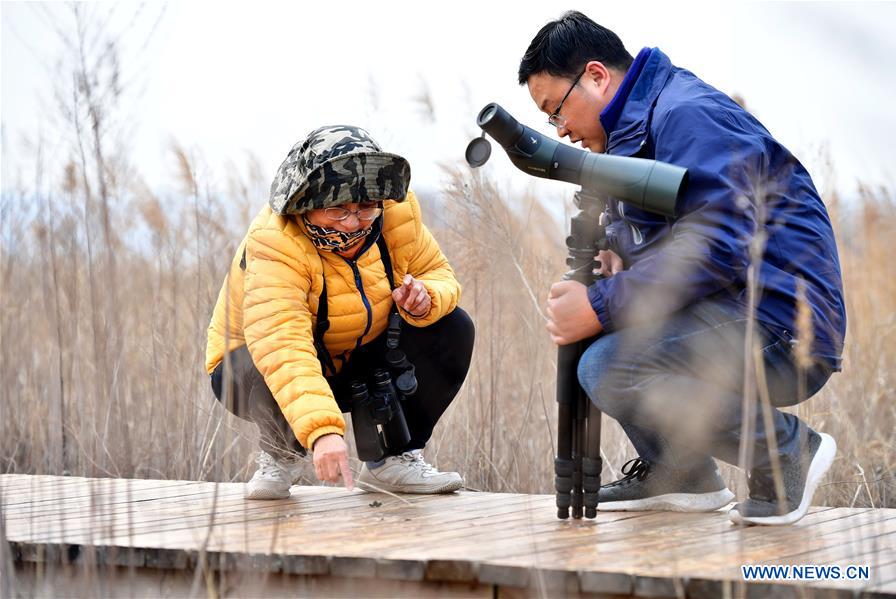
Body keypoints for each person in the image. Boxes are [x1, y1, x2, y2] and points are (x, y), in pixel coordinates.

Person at [519, 12, 845, 525]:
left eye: (556, 109)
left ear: (597, 76)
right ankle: (680, 475)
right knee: (606, 350)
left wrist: (602, 304)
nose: (560, 130)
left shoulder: (686, 114)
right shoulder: (637, 129)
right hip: (738, 310)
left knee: (609, 366)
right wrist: (619, 259)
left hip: (783, 326)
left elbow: (720, 242)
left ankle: (787, 455)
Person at [205, 125, 475, 499]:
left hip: (354, 361)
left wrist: (426, 297)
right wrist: (322, 431)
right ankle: (282, 454)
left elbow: (438, 273)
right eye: (337, 211)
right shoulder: (274, 241)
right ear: (305, 205)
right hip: (255, 369)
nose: (353, 224)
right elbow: (282, 345)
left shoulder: (396, 216)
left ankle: (392, 458)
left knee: (454, 327)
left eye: (365, 209)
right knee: (257, 362)